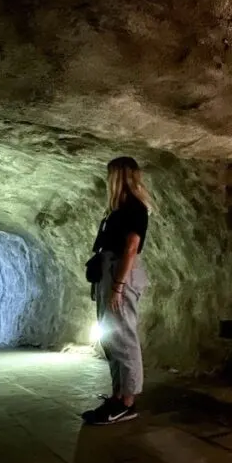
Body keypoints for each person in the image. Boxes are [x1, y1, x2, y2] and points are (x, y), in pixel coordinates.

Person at [82, 157, 151, 425]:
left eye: (111, 174)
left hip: (121, 272)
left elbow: (131, 247)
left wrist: (118, 286)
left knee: (123, 338)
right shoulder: (116, 209)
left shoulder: (135, 207)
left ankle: (127, 402)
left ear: (120, 177)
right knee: (110, 338)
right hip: (109, 270)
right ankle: (117, 395)